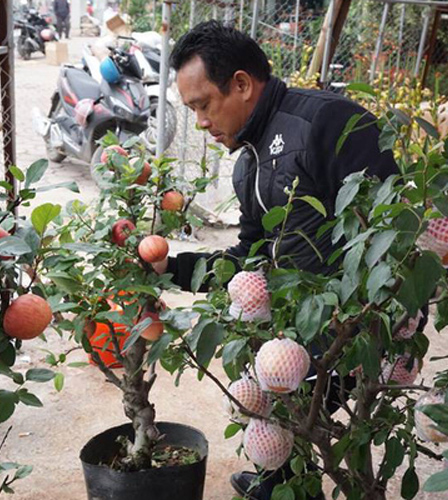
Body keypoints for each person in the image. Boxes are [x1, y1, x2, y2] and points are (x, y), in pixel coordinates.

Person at [160, 20, 400, 500]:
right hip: (294, 321)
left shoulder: (326, 123)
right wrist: (170, 269)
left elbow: (389, 229)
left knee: (290, 409)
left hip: (344, 321)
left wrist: (368, 320)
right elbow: (247, 258)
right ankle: (285, 483)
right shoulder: (248, 162)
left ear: (242, 84)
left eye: (203, 106)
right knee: (264, 402)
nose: (201, 123)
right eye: (192, 111)